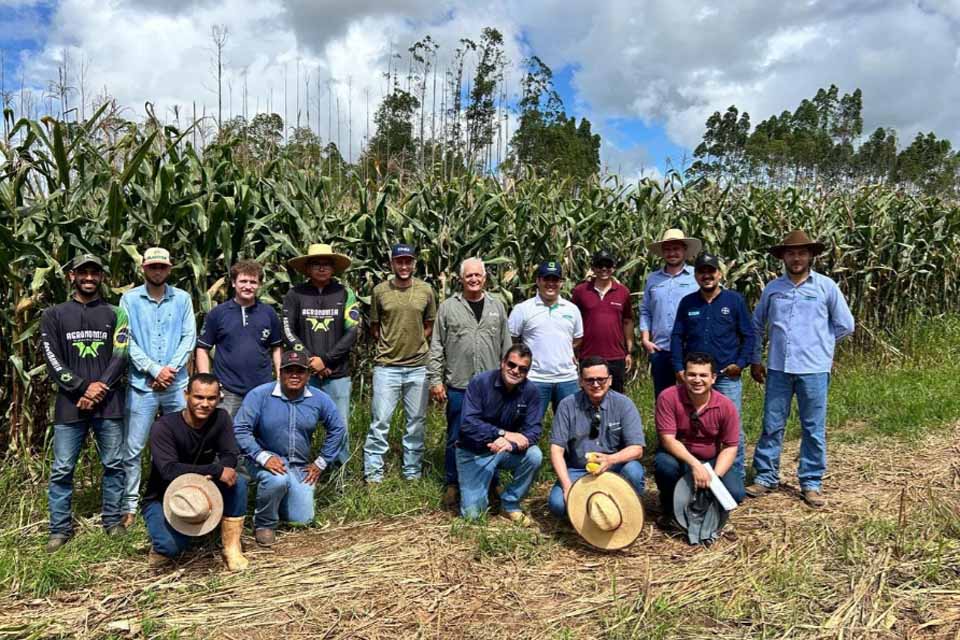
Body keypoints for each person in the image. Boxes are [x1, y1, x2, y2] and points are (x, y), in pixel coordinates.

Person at [747, 230, 855, 508]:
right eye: (791, 253)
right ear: (783, 257)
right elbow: (757, 325)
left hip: (814, 369)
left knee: (813, 428)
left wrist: (823, 346)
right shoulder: (773, 289)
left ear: (810, 256)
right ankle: (766, 477)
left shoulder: (826, 287)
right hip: (779, 368)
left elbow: (846, 325)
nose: (796, 258)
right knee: (772, 425)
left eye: (802, 253)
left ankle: (811, 482)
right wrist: (756, 359)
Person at [42, 254, 129, 552]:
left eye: (94, 272)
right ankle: (59, 529)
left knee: (114, 464)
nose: (89, 277)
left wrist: (99, 388)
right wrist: (82, 387)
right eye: (83, 272)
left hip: (109, 403)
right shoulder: (53, 315)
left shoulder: (116, 313)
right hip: (69, 403)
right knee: (63, 468)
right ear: (71, 277)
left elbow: (121, 354)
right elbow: (52, 359)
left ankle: (113, 521)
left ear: (102, 277)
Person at [234, 350, 346, 546]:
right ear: (280, 372)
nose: (294, 375)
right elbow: (241, 429)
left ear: (308, 374)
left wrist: (321, 462)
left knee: (302, 519)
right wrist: (262, 457)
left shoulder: (318, 398)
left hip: (298, 465)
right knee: (277, 480)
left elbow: (338, 428)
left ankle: (278, 500)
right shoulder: (260, 395)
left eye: (300, 371)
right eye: (289, 371)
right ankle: (264, 523)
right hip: (264, 458)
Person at [120, 247, 196, 527]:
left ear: (169, 268)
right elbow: (125, 340)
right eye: (152, 266)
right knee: (134, 447)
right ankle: (129, 505)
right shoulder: (129, 300)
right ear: (143, 269)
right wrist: (153, 369)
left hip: (176, 386)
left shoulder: (183, 299)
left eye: (162, 267)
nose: (157, 271)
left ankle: (182, 497)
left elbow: (189, 337)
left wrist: (169, 371)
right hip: (143, 386)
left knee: (183, 444)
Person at [428, 257, 512, 508]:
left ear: (485, 278)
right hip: (459, 385)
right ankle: (452, 483)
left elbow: (506, 347)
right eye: (469, 276)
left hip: (492, 388)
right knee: (456, 435)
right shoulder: (448, 308)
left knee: (493, 434)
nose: (474, 280)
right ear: (461, 279)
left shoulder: (497, 307)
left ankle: (493, 480)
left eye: (478, 275)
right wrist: (435, 379)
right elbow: (436, 346)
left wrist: (509, 382)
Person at [141, 373, 248, 571]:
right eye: (199, 397)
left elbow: (230, 453)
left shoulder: (221, 418)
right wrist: (215, 470)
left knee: (238, 482)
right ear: (186, 395)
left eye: (211, 398)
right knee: (171, 547)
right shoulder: (163, 427)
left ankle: (231, 547)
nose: (205, 404)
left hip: (204, 487)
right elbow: (168, 470)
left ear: (219, 398)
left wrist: (223, 469)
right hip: (164, 494)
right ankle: (161, 540)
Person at [670, 251, 754, 480]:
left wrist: (741, 363)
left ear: (719, 273)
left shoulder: (734, 300)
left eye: (711, 271)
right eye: (701, 271)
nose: (707, 275)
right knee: (692, 425)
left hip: (726, 375)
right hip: (695, 377)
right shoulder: (688, 303)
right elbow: (677, 336)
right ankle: (692, 472)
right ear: (696, 275)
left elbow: (748, 335)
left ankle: (733, 476)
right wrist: (678, 366)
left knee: (732, 427)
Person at [363, 244, 437, 483]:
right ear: (392, 264)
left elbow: (429, 325)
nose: (404, 266)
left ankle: (412, 472)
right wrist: (392, 344)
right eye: (399, 261)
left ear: (414, 263)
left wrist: (414, 344)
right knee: (380, 422)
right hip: (387, 367)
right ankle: (374, 475)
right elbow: (375, 327)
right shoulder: (379, 291)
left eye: (408, 261)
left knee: (416, 423)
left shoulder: (426, 290)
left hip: (418, 367)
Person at [282, 244, 360, 465]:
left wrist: (325, 360)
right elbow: (288, 331)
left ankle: (340, 472)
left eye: (327, 264)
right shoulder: (295, 294)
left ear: (334, 268)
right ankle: (298, 467)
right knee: (300, 422)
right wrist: (310, 361)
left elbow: (352, 330)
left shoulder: (345, 294)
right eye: (317, 264)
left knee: (339, 424)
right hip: (304, 374)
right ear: (307, 268)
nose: (322, 268)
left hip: (338, 374)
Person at [548, 356, 645, 520]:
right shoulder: (567, 405)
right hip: (579, 469)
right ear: (581, 381)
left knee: (633, 471)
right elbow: (556, 450)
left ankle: (625, 511)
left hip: (614, 466)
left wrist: (611, 459)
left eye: (601, 379)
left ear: (610, 380)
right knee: (557, 505)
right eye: (590, 380)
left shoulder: (624, 404)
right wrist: (567, 487)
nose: (595, 384)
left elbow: (637, 449)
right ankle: (592, 514)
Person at [456, 344, 545, 524]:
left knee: (534, 455)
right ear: (502, 363)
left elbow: (534, 430)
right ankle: (484, 485)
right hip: (473, 452)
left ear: (527, 372)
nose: (515, 371)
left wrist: (510, 444)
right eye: (511, 365)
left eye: (522, 368)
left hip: (505, 451)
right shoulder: (480, 382)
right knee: (473, 516)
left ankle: (510, 503)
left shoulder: (531, 391)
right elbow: (467, 423)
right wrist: (501, 434)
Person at [654, 351, 745, 524]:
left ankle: (707, 506)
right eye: (692, 375)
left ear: (713, 378)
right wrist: (695, 465)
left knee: (736, 494)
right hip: (679, 457)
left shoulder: (726, 406)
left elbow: (730, 447)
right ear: (684, 376)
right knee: (664, 464)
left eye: (703, 375)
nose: (697, 380)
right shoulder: (668, 397)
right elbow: (667, 439)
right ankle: (670, 508)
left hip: (710, 459)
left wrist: (714, 478)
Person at [196, 260, 282, 417]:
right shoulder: (218, 314)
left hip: (262, 389)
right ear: (234, 283)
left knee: (261, 436)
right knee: (225, 436)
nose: (248, 286)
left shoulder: (269, 313)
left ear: (259, 285)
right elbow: (202, 348)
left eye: (253, 282)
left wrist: (279, 380)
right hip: (227, 390)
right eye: (243, 281)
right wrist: (208, 383)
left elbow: (277, 348)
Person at [508, 260, 583, 414]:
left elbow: (577, 339)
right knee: (528, 426)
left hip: (567, 379)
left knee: (572, 427)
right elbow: (511, 339)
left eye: (555, 279)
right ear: (538, 281)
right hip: (535, 378)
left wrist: (564, 352)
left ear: (561, 283)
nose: (550, 284)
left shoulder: (572, 309)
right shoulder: (522, 309)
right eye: (546, 279)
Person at [639, 229, 701, 399]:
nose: (672, 253)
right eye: (667, 249)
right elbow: (645, 309)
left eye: (676, 249)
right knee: (663, 398)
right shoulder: (653, 278)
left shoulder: (696, 277)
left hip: (690, 348)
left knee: (693, 398)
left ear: (684, 251)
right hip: (661, 349)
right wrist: (645, 339)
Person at [571, 249, 635, 393]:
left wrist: (629, 351)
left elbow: (627, 321)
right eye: (599, 265)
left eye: (608, 265)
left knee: (616, 397)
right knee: (588, 397)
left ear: (614, 267)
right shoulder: (580, 292)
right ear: (593, 268)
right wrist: (573, 349)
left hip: (616, 356)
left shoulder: (623, 292)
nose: (604, 269)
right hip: (588, 355)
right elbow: (571, 321)